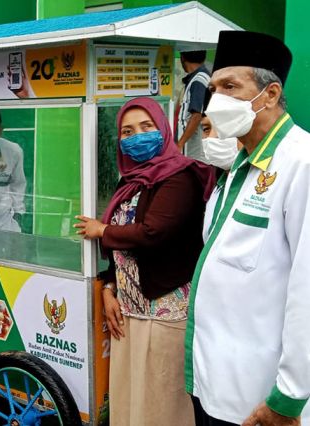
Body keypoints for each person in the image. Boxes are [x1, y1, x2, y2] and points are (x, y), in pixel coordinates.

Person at [186, 30, 310, 426]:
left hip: (261, 400)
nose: (216, 99)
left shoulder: (300, 164)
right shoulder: (239, 166)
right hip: (213, 384)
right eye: (214, 87)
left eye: (230, 86)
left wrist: (287, 399)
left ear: (270, 95)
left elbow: (307, 291)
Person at [75, 97, 215, 426]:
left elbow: (154, 232)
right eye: (127, 131)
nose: (137, 136)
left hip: (165, 309)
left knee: (161, 402)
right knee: (130, 398)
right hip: (130, 310)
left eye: (146, 127)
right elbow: (125, 253)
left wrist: (103, 230)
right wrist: (109, 287)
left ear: (163, 129)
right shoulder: (132, 182)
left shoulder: (180, 176)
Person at [177, 50, 211, 161]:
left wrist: (180, 143)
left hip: (195, 146)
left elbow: (196, 115)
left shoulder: (198, 80)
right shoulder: (204, 76)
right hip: (197, 145)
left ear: (183, 58)